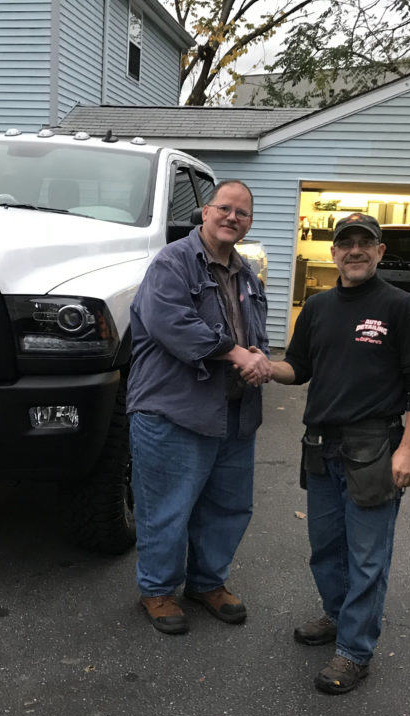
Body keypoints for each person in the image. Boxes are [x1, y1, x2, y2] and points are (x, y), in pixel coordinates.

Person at [268, 212, 410, 693]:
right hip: (321, 446)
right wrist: (263, 366)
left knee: (367, 556)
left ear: (380, 252)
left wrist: (408, 450)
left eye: (367, 243)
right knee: (325, 548)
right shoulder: (318, 308)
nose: (356, 251)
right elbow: (297, 368)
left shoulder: (400, 306)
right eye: (347, 243)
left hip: (374, 450)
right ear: (334, 252)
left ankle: (354, 651)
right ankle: (337, 615)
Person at [127, 180, 272, 635]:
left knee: (228, 507)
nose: (233, 218)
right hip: (174, 411)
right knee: (167, 508)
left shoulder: (246, 273)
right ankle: (158, 590)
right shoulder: (172, 263)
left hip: (233, 412)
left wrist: (259, 360)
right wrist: (236, 354)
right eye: (225, 209)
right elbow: (172, 323)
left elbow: (258, 336)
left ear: (249, 224)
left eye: (242, 213)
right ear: (205, 213)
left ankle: (208, 583)